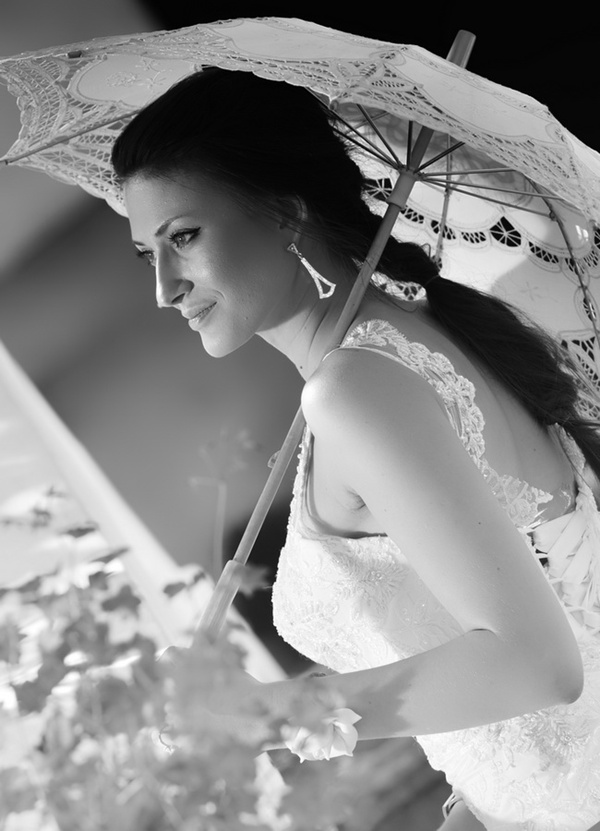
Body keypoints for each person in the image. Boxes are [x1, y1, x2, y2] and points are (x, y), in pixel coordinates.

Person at [111, 67, 600, 831]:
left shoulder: (355, 389)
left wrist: (260, 715)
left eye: (184, 237)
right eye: (148, 253)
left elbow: (538, 666)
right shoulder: (412, 333)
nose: (164, 287)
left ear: (285, 212)